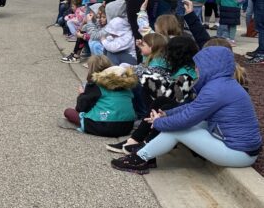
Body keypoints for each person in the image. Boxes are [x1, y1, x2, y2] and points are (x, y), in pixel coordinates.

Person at [111, 46, 261, 174]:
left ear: (211, 66)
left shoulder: (216, 89)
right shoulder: (223, 84)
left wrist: (159, 122)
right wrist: (166, 114)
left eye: (199, 65)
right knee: (182, 124)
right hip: (241, 149)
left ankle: (140, 158)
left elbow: (186, 119)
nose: (196, 69)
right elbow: (192, 107)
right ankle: (146, 155)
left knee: (178, 129)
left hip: (239, 153)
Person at [61, 56, 137, 137]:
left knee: (68, 112)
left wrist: (82, 94)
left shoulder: (96, 85)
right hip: (127, 126)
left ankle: (84, 124)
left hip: (103, 126)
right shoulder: (124, 82)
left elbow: (80, 108)